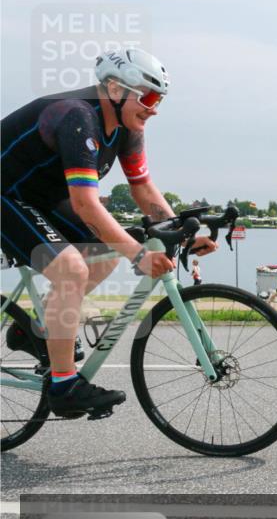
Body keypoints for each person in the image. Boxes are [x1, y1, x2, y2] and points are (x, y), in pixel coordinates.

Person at [1, 48, 217, 417]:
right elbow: (86, 205)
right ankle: (64, 388)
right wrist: (139, 255)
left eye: (159, 100)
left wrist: (182, 234)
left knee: (104, 253)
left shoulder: (127, 128)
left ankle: (37, 329)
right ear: (115, 89)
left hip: (38, 197)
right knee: (72, 268)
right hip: (6, 195)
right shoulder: (77, 117)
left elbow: (143, 188)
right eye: (148, 98)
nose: (154, 109)